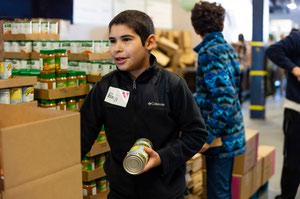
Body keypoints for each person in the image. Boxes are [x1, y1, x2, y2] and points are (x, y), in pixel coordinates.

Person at [80, 10, 208, 199]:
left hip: (166, 193)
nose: (117, 48)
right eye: (112, 41)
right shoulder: (105, 87)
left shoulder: (172, 85)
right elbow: (81, 134)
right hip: (120, 192)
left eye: (126, 39)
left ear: (149, 42)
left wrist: (162, 158)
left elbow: (196, 135)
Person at [191, 2, 246, 198]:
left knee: (218, 194)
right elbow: (218, 91)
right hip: (230, 133)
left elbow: (224, 99)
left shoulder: (209, 53)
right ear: (221, 24)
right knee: (222, 190)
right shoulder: (226, 48)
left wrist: (208, 136)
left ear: (196, 26)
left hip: (221, 138)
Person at [266, 29, 300, 199]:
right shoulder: (298, 37)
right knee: (293, 161)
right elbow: (272, 50)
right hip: (297, 110)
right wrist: (294, 68)